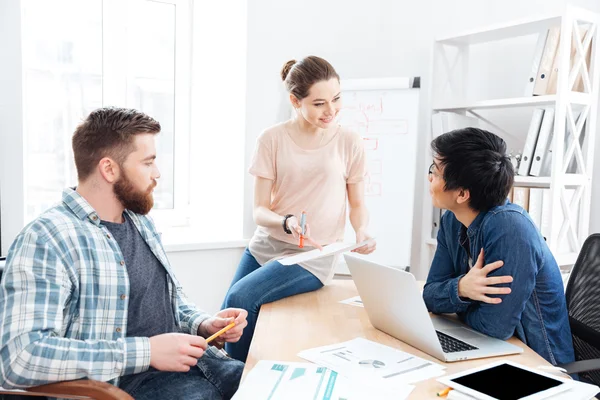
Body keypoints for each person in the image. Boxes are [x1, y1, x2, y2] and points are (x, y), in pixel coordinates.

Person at [0, 107, 248, 400]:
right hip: (128, 386)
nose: (157, 174)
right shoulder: (46, 239)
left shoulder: (138, 220)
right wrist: (148, 352)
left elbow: (167, 302)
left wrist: (204, 323)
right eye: (148, 162)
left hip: (197, 365)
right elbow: (21, 357)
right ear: (109, 169)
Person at [221, 56, 376, 362]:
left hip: (312, 256)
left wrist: (362, 232)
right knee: (229, 313)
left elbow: (357, 204)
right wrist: (286, 221)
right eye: (319, 103)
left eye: (336, 98)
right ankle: (234, 379)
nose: (330, 110)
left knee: (241, 298)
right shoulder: (271, 139)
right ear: (295, 100)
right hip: (266, 245)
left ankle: (234, 380)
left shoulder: (349, 142)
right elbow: (260, 212)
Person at [422, 127, 575, 366]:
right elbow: (429, 295)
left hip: (539, 366)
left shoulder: (510, 228)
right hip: (494, 353)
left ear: (462, 193)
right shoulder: (452, 220)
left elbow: (494, 328)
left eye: (435, 172)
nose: (430, 177)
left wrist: (454, 297)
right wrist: (462, 288)